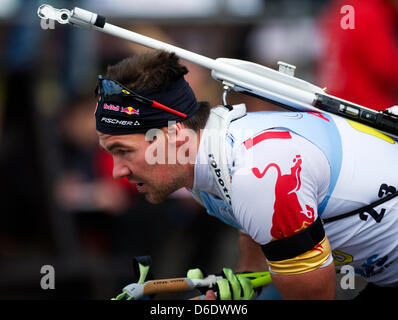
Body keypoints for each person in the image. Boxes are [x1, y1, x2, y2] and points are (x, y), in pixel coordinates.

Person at [94, 50, 398, 300]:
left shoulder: (254, 173)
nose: (117, 171)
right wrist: (240, 288)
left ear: (173, 136)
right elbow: (251, 225)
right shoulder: (203, 156)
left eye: (123, 151)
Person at [317, 0, 398, 111]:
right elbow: (386, 67)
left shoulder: (348, 7)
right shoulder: (369, 11)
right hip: (362, 107)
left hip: (334, 100)